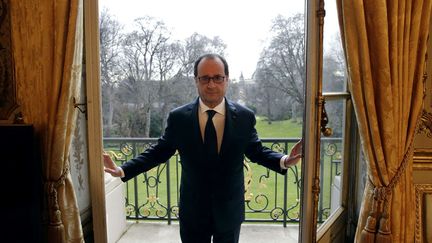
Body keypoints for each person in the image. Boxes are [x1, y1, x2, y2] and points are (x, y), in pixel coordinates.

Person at [103, 53, 302, 243]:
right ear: (196, 81)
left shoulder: (244, 116)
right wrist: (122, 169)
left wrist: (284, 160)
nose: (211, 84)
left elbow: (256, 151)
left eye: (217, 77)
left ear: (227, 79)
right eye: (205, 78)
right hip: (193, 212)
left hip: (229, 211)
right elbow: (159, 151)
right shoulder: (179, 117)